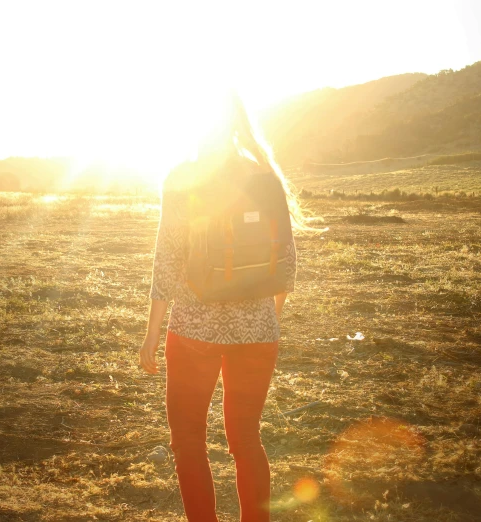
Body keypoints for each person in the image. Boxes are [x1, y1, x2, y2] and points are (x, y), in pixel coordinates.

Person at [139, 92, 315, 522]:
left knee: (188, 441)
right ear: (236, 125)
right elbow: (288, 263)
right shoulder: (264, 178)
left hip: (192, 332)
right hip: (257, 334)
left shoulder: (183, 178)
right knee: (246, 440)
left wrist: (151, 337)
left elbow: (166, 261)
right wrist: (266, 319)